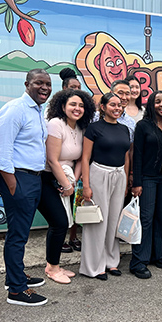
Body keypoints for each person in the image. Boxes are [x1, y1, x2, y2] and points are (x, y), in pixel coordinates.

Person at [0, 69, 51, 306]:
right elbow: (1, 150)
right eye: (39, 83)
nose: (44, 87)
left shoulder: (37, 111)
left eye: (48, 83)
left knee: (21, 232)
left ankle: (14, 277)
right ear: (27, 84)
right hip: (18, 178)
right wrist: (12, 183)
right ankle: (17, 290)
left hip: (31, 178)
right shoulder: (15, 109)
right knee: (18, 235)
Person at [37, 89, 95, 284]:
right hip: (47, 179)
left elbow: (80, 159)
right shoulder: (55, 124)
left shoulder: (81, 128)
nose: (77, 108)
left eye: (81, 105)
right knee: (59, 222)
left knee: (63, 223)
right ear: (63, 106)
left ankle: (54, 264)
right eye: (72, 104)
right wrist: (66, 184)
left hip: (67, 181)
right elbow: (52, 160)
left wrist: (72, 183)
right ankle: (52, 268)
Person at [130, 91, 162, 279]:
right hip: (148, 178)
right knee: (146, 219)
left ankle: (156, 255)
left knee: (161, 217)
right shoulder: (143, 126)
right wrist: (137, 182)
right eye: (157, 101)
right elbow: (138, 155)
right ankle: (138, 261)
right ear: (151, 105)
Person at [79, 93, 130, 280]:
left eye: (120, 105)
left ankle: (111, 261)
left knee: (113, 220)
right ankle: (94, 265)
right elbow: (85, 157)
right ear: (103, 107)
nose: (117, 108)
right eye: (113, 105)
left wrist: (125, 180)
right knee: (97, 222)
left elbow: (126, 156)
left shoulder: (124, 129)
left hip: (119, 175)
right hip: (99, 173)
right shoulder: (94, 128)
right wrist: (86, 185)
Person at [58, 67, 83, 253]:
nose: (76, 90)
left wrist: (74, 178)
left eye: (79, 87)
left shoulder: (81, 120)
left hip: (76, 171)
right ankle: (60, 239)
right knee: (61, 207)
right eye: (72, 87)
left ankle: (73, 237)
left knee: (75, 205)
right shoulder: (54, 118)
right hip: (58, 170)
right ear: (64, 88)